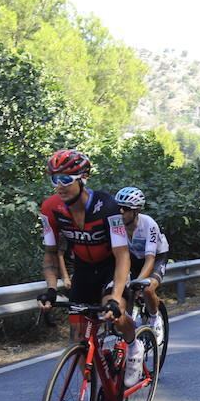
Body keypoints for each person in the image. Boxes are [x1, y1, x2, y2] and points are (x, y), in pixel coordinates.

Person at [37, 149, 142, 387]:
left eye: (66, 179)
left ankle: (134, 345)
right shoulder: (50, 209)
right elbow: (51, 255)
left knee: (113, 312)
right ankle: (92, 390)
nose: (59, 186)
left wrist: (115, 297)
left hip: (111, 266)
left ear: (83, 178)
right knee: (76, 336)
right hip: (84, 269)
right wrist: (51, 290)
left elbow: (122, 254)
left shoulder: (108, 207)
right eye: (54, 179)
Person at [115, 186, 169, 344]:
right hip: (134, 258)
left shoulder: (148, 224)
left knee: (146, 288)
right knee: (124, 290)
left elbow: (150, 259)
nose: (121, 212)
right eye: (118, 208)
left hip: (156, 257)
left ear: (136, 210)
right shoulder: (117, 226)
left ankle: (154, 319)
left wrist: (138, 282)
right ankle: (133, 323)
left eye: (125, 209)